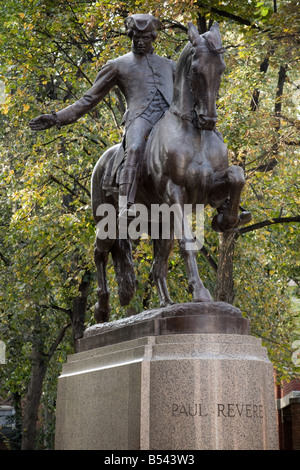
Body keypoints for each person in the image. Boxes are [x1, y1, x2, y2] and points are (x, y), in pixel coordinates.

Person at [29, 13, 176, 218]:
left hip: (169, 120)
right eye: (136, 38)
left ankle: (223, 201)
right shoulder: (118, 65)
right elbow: (88, 99)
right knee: (133, 148)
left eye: (145, 38)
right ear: (131, 37)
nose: (141, 42)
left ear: (153, 38)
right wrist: (56, 118)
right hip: (140, 118)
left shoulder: (169, 65)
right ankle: (126, 204)